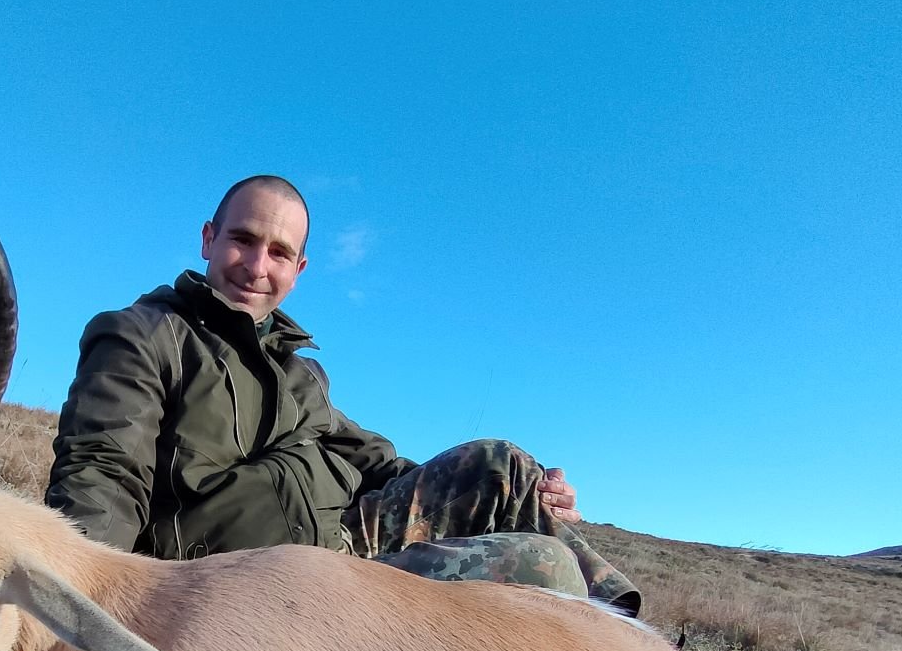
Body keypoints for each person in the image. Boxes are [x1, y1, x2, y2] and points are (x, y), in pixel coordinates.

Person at [44, 174, 640, 613]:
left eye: (278, 252)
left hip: (349, 542)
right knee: (545, 568)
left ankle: (630, 635)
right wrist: (79, 608)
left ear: (298, 269)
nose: (256, 266)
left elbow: (381, 463)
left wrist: (529, 494)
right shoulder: (142, 335)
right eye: (242, 240)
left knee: (501, 465)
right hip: (252, 584)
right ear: (207, 238)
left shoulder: (299, 372)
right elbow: (102, 473)